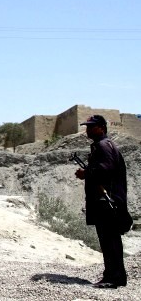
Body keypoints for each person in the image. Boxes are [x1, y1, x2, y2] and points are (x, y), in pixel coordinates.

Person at [74, 115, 128, 289]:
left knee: (109, 239)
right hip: (106, 200)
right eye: (88, 127)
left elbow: (106, 169)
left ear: (102, 128)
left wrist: (86, 173)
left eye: (92, 127)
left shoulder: (103, 145)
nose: (88, 130)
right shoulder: (104, 145)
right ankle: (114, 275)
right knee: (109, 240)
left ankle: (113, 277)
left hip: (107, 201)